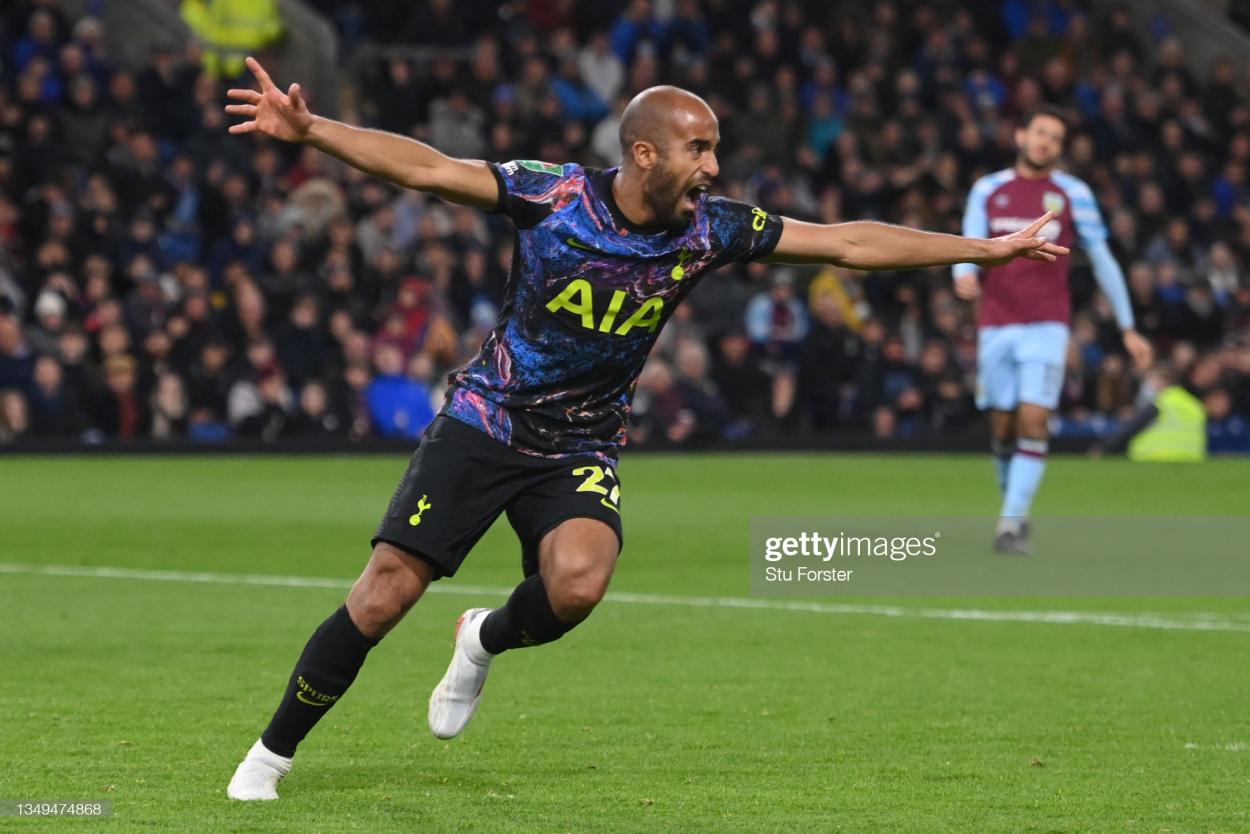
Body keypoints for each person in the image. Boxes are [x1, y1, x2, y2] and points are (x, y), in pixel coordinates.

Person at [223, 56, 1067, 801]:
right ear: (645, 152)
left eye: (715, 147)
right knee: (384, 596)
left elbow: (846, 243)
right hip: (486, 421)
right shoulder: (551, 195)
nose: (715, 164)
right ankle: (271, 753)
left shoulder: (712, 228)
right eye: (699, 148)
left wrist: (979, 251)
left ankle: (481, 637)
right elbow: (431, 169)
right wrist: (314, 131)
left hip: (581, 442)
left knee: (578, 588)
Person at [952, 105, 1153, 554]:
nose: (1045, 142)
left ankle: (1011, 522)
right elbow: (969, 241)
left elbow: (1101, 258)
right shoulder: (988, 189)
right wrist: (962, 272)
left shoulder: (1073, 193)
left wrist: (1128, 326)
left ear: (1060, 149)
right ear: (1020, 135)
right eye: (1040, 132)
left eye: (1055, 138)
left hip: (1047, 324)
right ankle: (1012, 511)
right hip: (996, 324)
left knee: (1034, 419)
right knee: (1003, 427)